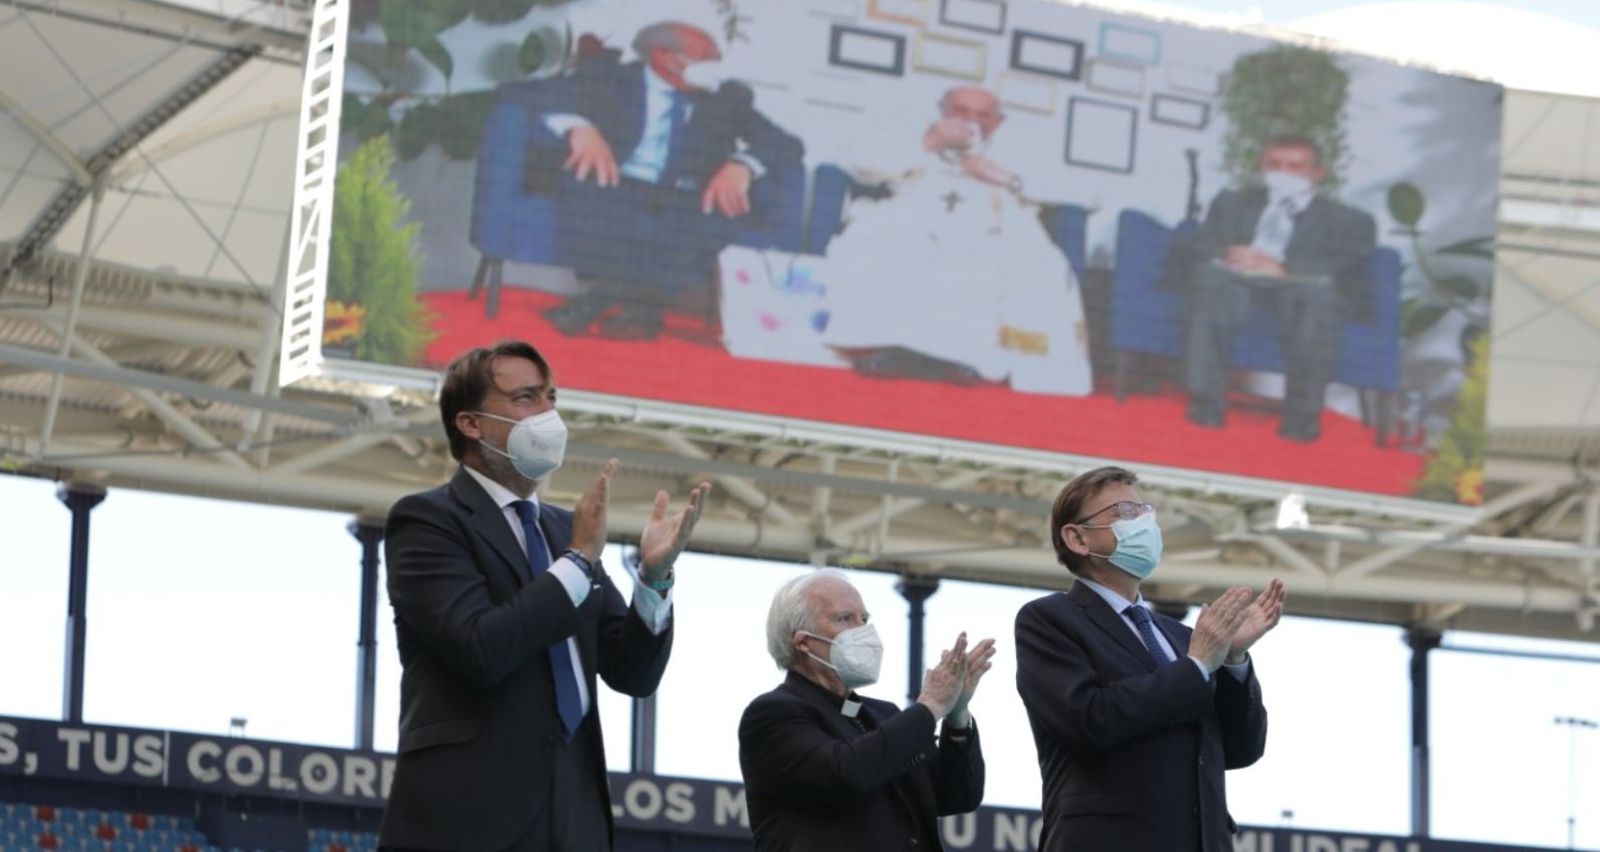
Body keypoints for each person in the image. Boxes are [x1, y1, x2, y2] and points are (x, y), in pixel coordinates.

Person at [378, 340, 711, 851]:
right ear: (470, 424)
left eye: (552, 398)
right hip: (467, 816)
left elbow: (633, 673)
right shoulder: (427, 520)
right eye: (527, 399)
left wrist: (653, 579)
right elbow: (480, 648)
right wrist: (578, 561)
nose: (548, 414)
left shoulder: (563, 531)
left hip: (576, 811)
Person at [1015, 466, 1284, 852]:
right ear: (1076, 538)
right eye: (1125, 513)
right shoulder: (1050, 619)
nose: (1143, 523)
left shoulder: (1183, 638)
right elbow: (1087, 720)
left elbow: (1240, 750)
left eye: (1145, 512)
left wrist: (1231, 659)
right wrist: (1196, 666)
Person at [815, 85, 1093, 396]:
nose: (972, 121)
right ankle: (894, 350)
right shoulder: (917, 137)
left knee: (1023, 268)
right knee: (890, 252)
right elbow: (857, 164)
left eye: (983, 115)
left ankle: (968, 359)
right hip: (915, 228)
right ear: (942, 111)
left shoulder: (1020, 149)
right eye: (961, 112)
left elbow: (1086, 194)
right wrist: (929, 141)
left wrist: (1007, 178)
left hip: (995, 236)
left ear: (998, 122)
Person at [535, 21, 804, 340]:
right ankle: (644, 311)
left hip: (685, 196)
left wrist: (741, 164)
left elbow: (787, 144)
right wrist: (580, 128)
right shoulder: (611, 77)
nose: (715, 68)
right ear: (663, 56)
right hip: (618, 185)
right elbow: (531, 95)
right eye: (707, 58)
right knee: (622, 212)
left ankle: (601, 301)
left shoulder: (728, 97)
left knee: (702, 223)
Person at [739, 569, 994, 850]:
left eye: (865, 619)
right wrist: (930, 706)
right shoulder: (771, 715)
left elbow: (957, 796)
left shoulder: (885, 715)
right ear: (802, 640)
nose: (863, 631)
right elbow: (844, 773)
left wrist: (957, 713)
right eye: (845, 618)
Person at [1181, 134, 1378, 441]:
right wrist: (1229, 253)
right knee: (1210, 279)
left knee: (1319, 299)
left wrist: (1285, 268)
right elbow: (1201, 242)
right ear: (1261, 166)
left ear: (1317, 173)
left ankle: (1302, 418)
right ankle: (1206, 403)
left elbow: (1348, 263)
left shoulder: (1349, 220)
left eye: (1295, 166)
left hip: (1299, 287)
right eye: (1274, 164)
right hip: (1239, 281)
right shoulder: (1232, 202)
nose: (1283, 173)